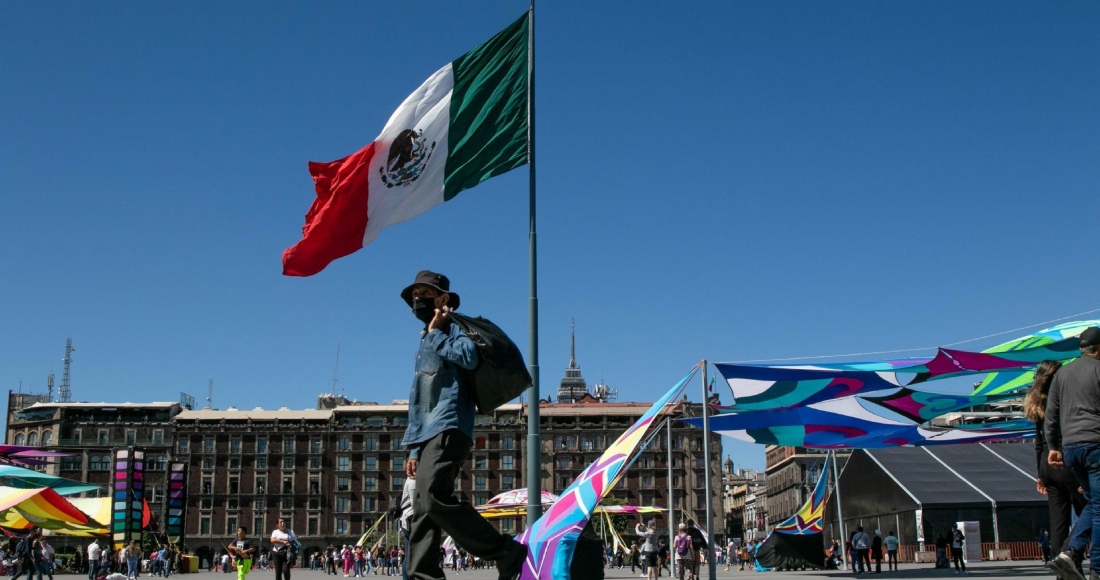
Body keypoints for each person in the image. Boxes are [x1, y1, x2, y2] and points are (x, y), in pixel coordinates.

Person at [398, 272, 528, 580]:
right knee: (422, 508)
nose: (417, 300)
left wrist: (437, 333)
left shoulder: (452, 328)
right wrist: (414, 448)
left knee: (433, 496)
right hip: (426, 433)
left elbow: (469, 357)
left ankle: (504, 550)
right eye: (414, 294)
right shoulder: (425, 337)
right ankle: (422, 576)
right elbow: (420, 398)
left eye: (424, 293)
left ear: (442, 298)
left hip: (449, 426)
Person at [1047, 327, 1100, 580]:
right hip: (1095, 445)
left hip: (1070, 449)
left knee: (1094, 503)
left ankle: (1071, 553)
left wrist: (1053, 446)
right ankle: (1096, 566)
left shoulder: (1062, 373)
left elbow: (1051, 413)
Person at [1026, 360, 1086, 572]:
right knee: (1090, 509)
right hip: (1064, 461)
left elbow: (1038, 442)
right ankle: (1069, 553)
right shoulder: (1062, 398)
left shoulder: (1037, 401)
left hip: (1046, 465)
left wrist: (1040, 474)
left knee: (1058, 520)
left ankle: (1060, 566)